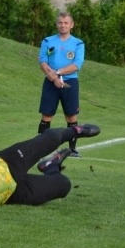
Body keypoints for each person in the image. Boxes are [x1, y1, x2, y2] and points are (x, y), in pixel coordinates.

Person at [37, 12, 85, 157]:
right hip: (50, 82)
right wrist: (52, 77)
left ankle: (72, 149)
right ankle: (40, 148)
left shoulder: (78, 43)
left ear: (72, 25)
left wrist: (57, 73)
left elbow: (77, 65)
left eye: (66, 23)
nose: (63, 25)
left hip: (70, 82)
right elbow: (42, 61)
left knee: (71, 116)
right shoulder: (47, 41)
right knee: (46, 115)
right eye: (60, 23)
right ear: (57, 24)